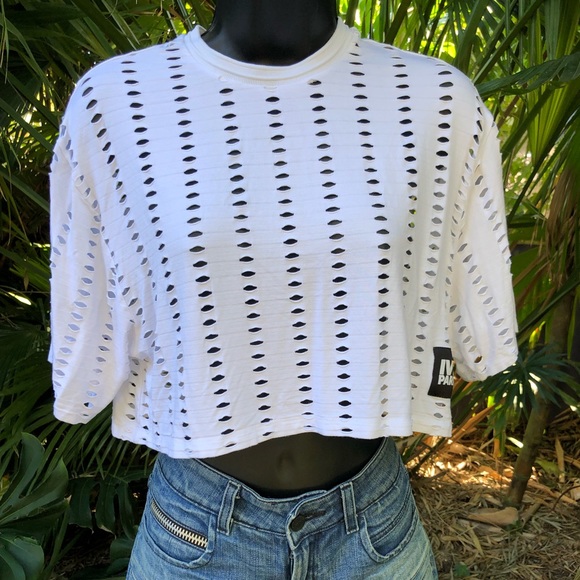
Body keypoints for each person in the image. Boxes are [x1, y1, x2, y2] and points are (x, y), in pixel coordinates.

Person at [49, 0, 518, 577]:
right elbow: (87, 340)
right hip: (196, 534)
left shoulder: (438, 101)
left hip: (372, 532)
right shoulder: (117, 103)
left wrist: (443, 368)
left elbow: (470, 331)